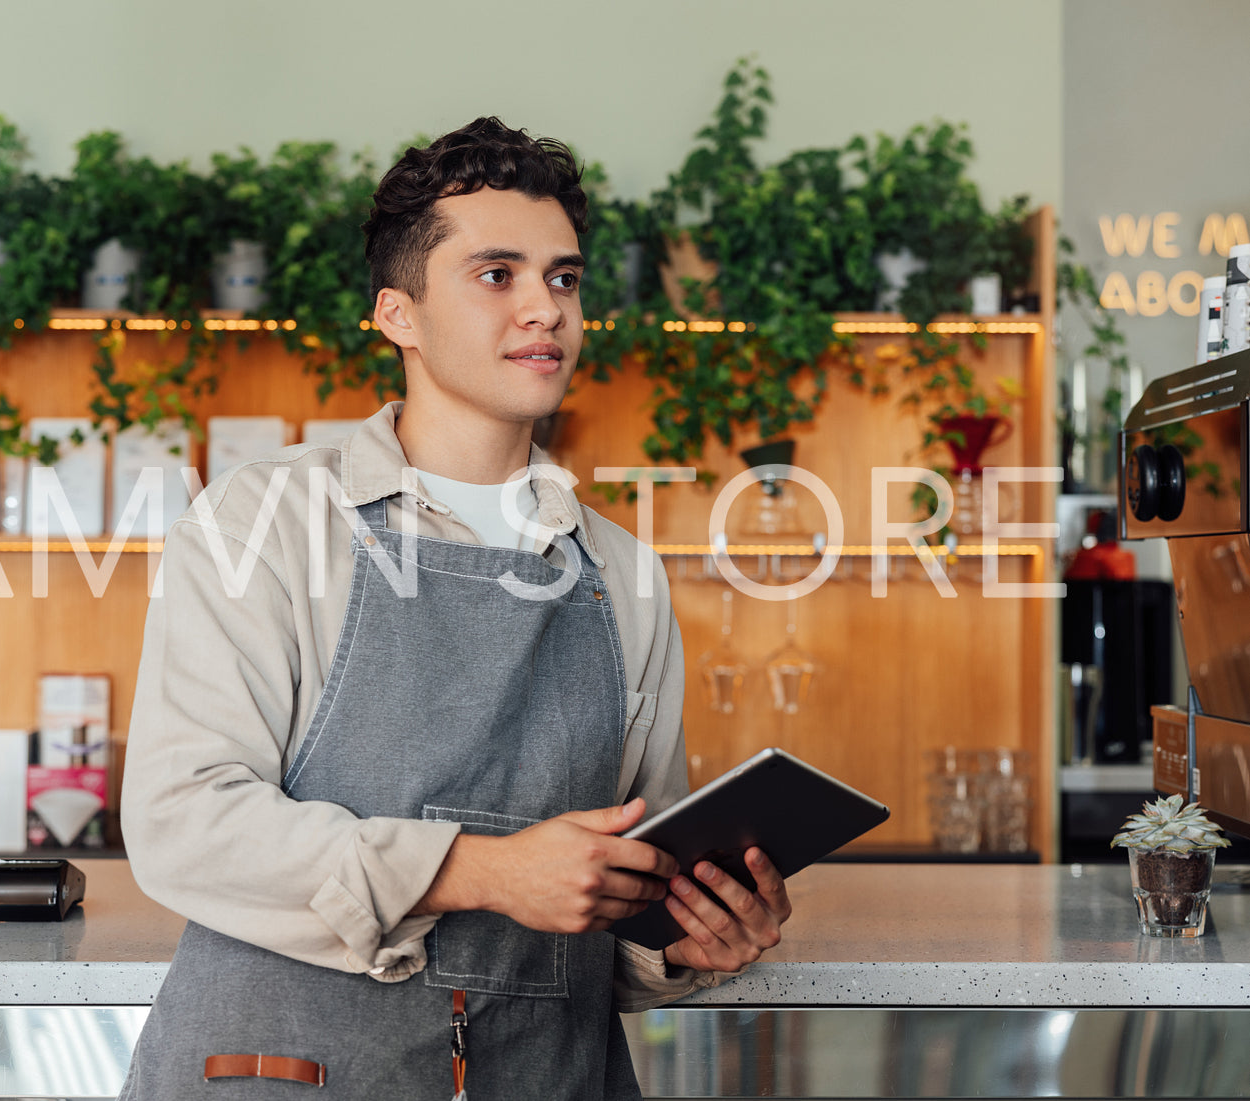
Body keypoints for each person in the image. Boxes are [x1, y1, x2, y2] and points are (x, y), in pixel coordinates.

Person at [118, 117, 791, 1100]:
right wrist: (480, 872)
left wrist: (691, 937)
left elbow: (621, 902)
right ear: (398, 315)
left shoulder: (622, 576)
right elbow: (186, 822)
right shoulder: (263, 522)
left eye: (562, 279)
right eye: (496, 275)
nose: (544, 310)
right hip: (281, 1074)